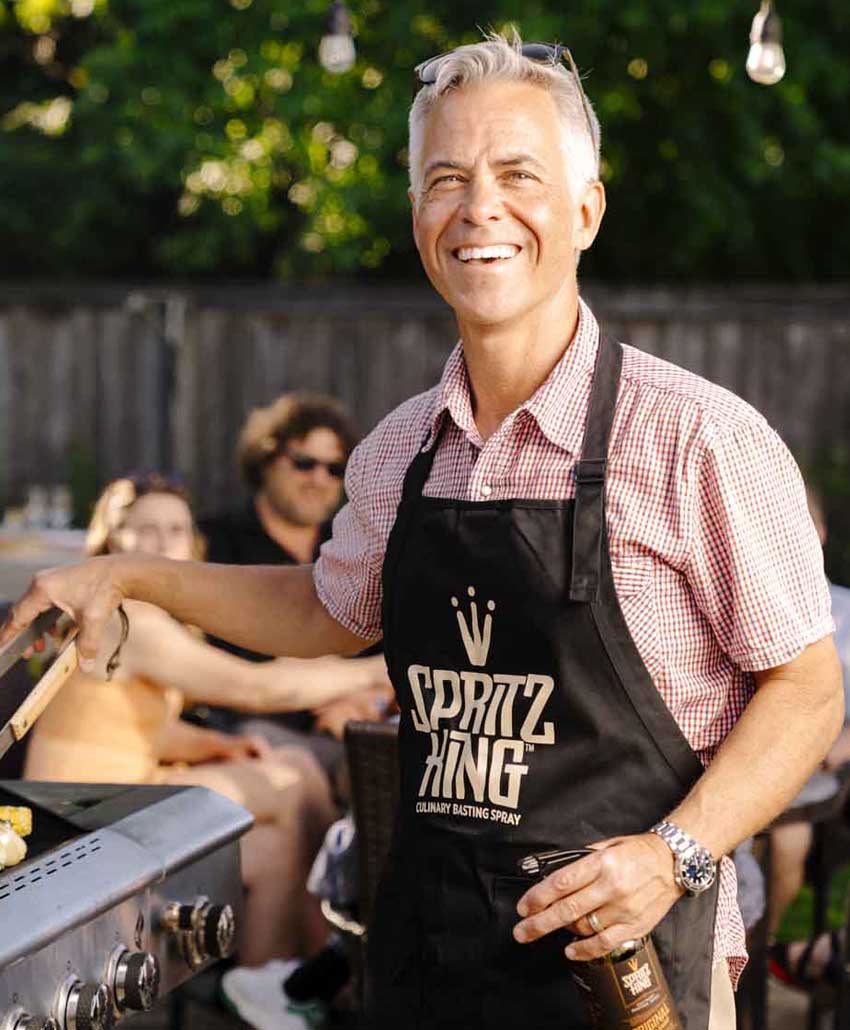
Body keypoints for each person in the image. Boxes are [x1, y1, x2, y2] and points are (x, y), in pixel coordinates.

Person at [2, 32, 843, 1030]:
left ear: (586, 208)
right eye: (446, 178)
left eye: (516, 173)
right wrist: (130, 574)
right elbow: (325, 607)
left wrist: (675, 854)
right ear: (417, 220)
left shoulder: (700, 438)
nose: (478, 206)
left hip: (625, 975)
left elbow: (807, 686)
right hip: (428, 954)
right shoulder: (401, 447)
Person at [22, 474, 380, 964]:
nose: (161, 544)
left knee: (276, 849)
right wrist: (384, 669)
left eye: (176, 530)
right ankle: (329, 964)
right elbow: (258, 688)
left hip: (112, 799)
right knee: (291, 777)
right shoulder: (132, 621)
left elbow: (132, 728)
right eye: (145, 530)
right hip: (79, 816)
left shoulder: (144, 621)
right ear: (111, 542)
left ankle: (271, 983)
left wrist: (214, 747)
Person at [198, 393, 392, 772]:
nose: (319, 479)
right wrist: (352, 684)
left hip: (352, 726)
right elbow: (238, 668)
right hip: (250, 730)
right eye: (304, 463)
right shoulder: (215, 542)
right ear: (266, 461)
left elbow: (388, 655)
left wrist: (369, 701)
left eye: (334, 468)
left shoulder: (353, 546)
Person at [767, 485, 850, 987]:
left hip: (819, 770)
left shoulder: (846, 610)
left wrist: (839, 748)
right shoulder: (758, 601)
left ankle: (766, 950)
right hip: (757, 761)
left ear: (819, 534)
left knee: (787, 845)